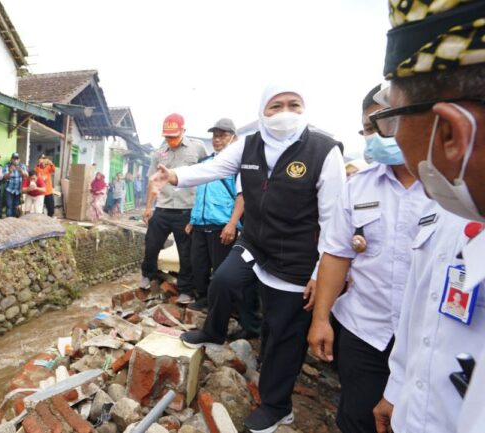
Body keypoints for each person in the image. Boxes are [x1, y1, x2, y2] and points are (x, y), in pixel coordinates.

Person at [150, 85, 345, 433]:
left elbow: (334, 223)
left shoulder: (323, 151)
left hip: (297, 257)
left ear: (305, 109)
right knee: (224, 280)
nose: (285, 111)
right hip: (255, 242)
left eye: (293, 104)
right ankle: (213, 331)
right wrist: (174, 176)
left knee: (282, 335)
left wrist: (320, 272)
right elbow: (214, 167)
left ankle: (277, 406)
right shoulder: (249, 144)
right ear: (262, 111)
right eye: (276, 105)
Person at [367, 2, 485, 433]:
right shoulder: (456, 207)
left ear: (451, 131)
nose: (394, 142)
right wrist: (400, 390)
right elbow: (426, 318)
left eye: (390, 122)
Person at [306, 85, 434, 433]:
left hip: (431, 336)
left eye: (387, 122)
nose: (378, 134)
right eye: (369, 126)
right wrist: (321, 320)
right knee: (358, 418)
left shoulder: (450, 189)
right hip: (366, 329)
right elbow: (336, 254)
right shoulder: (358, 186)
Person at [141, 113, 207, 300]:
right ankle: (148, 274)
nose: (170, 140)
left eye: (174, 136)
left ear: (183, 131)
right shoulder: (159, 153)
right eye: (167, 137)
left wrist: (199, 211)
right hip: (162, 208)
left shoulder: (198, 148)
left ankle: (185, 290)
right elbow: (152, 183)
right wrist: (148, 208)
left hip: (187, 209)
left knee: (186, 252)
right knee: (151, 245)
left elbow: (206, 177)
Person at [185, 118, 246, 317]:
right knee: (199, 265)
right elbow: (200, 195)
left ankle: (225, 307)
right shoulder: (205, 163)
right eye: (215, 136)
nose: (217, 140)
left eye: (223, 136)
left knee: (222, 270)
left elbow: (242, 196)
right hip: (200, 224)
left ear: (234, 138)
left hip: (222, 225)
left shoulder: (239, 165)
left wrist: (232, 223)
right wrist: (192, 220)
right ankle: (203, 297)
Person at [3, 152, 28, 217]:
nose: (15, 160)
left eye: (17, 158)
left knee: (16, 206)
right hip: (9, 189)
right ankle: (8, 220)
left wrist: (22, 172)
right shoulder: (7, 166)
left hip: (18, 190)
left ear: (19, 159)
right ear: (11, 159)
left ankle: (14, 220)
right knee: (9, 206)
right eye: (14, 158)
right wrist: (10, 171)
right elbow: (4, 177)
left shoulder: (22, 166)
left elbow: (26, 176)